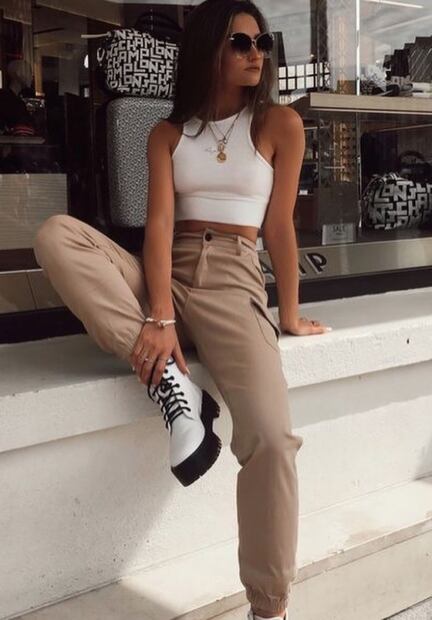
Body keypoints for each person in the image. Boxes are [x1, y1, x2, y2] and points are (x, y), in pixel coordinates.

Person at [33, 1, 331, 618]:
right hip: (165, 277)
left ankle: (269, 607)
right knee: (57, 235)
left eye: (263, 43)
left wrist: (290, 313)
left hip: (233, 282)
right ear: (208, 49)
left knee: (272, 440)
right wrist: (161, 315)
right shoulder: (167, 133)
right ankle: (173, 382)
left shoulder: (279, 124)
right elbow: (161, 227)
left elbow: (279, 228)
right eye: (241, 42)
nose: (257, 54)